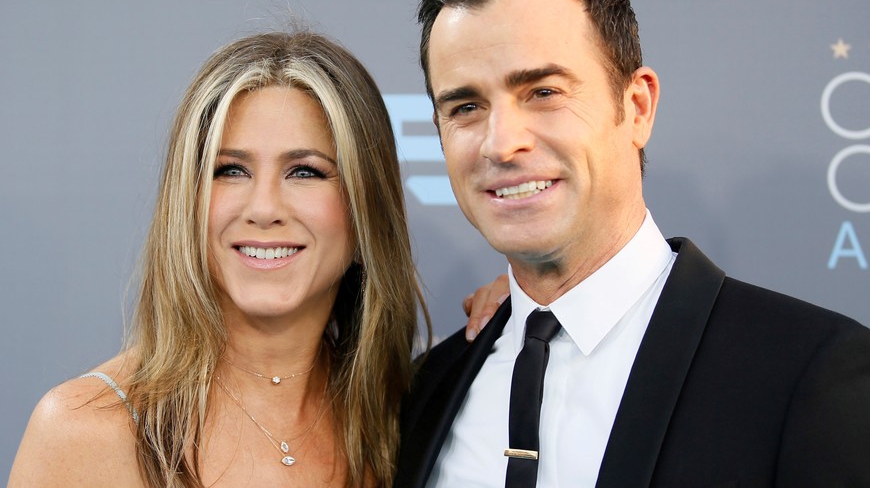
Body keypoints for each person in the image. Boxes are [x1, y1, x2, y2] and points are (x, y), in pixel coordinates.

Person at [397, 0, 870, 487]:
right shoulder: (424, 392)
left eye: (543, 92)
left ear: (638, 106)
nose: (502, 143)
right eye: (466, 106)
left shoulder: (807, 373)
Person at [8, 30, 505, 487]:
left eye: (306, 172)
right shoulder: (84, 432)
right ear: (189, 201)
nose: (264, 208)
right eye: (231, 170)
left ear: (365, 210)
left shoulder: (411, 416)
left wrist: (524, 308)